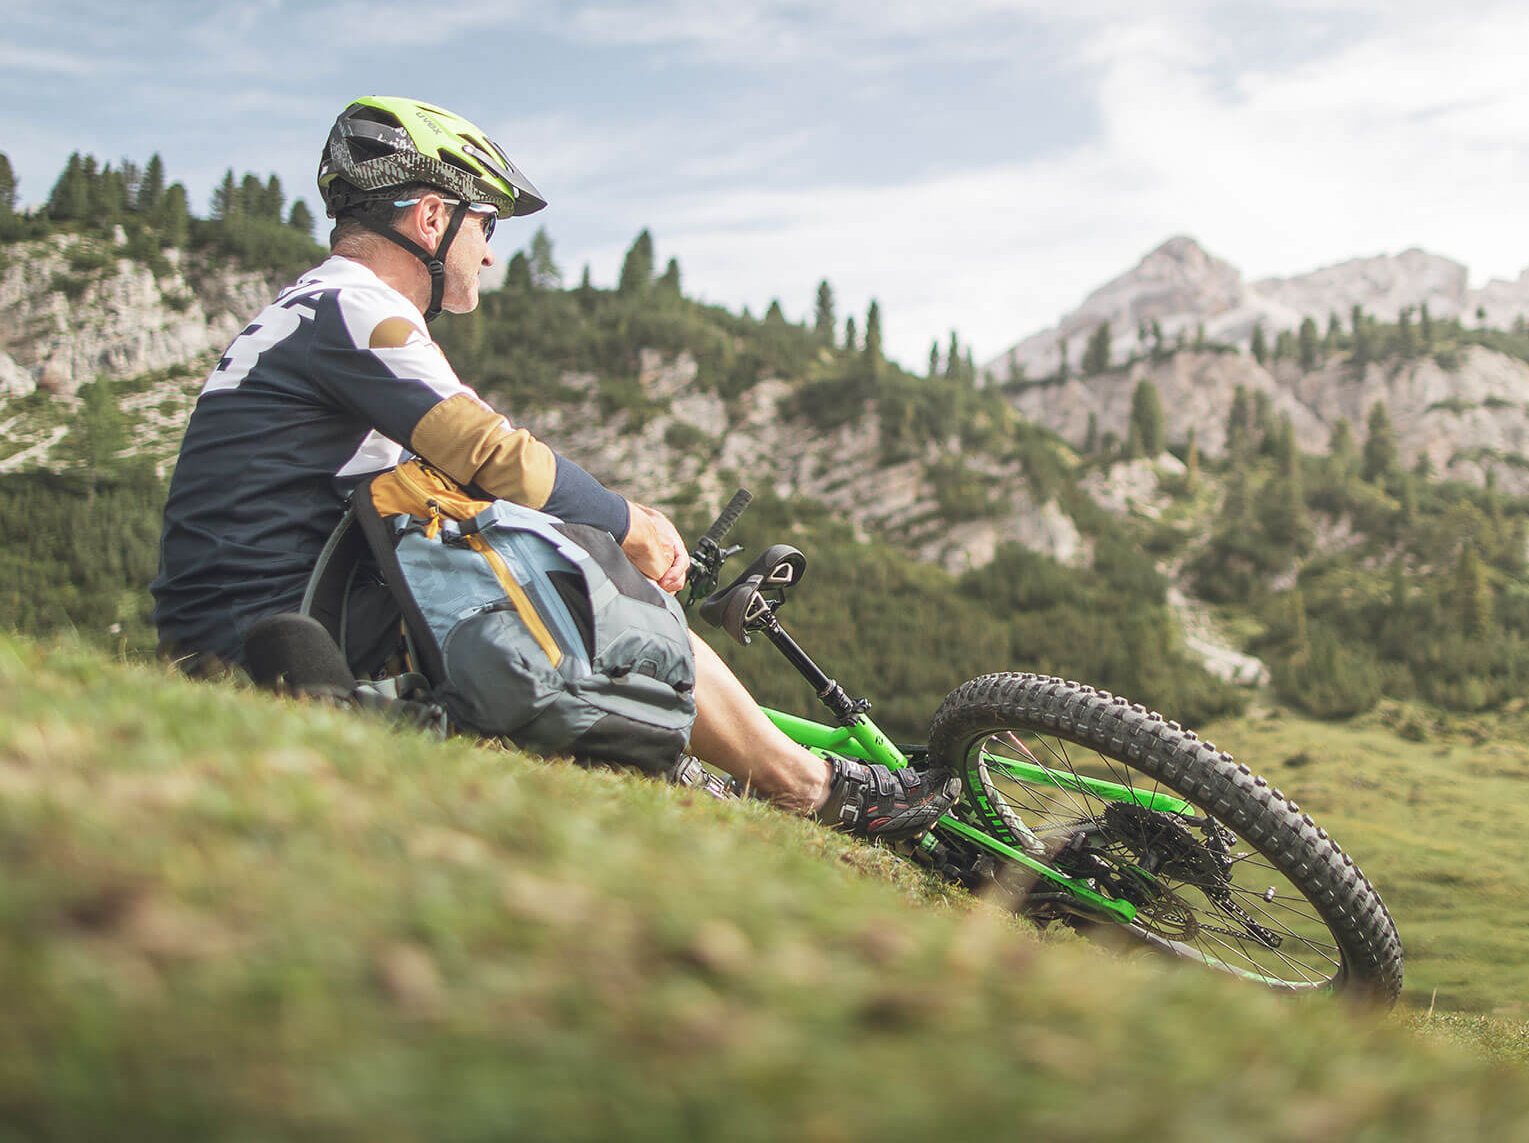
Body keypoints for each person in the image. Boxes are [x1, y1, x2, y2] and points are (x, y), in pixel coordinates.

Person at [151, 95, 957, 838]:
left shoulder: (309, 310)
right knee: (608, 590)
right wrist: (630, 525)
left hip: (255, 628)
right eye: (486, 225)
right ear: (431, 218)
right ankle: (812, 788)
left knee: (542, 569)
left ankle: (705, 765)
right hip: (282, 635)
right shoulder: (356, 308)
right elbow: (493, 454)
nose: (488, 257)